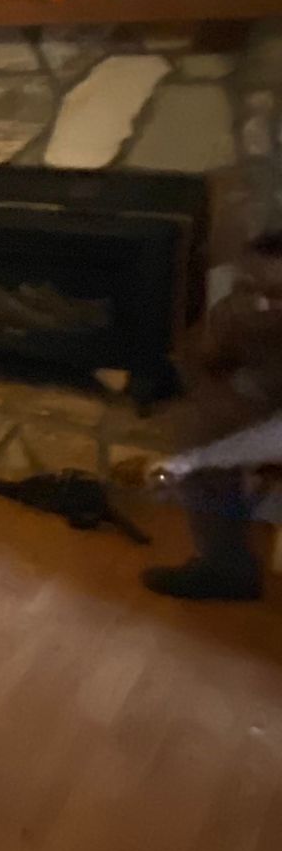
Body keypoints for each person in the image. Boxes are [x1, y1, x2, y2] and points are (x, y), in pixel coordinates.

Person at [144, 229, 282, 601]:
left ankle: (225, 569)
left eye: (275, 293)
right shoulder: (247, 311)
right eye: (252, 284)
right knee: (200, 419)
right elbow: (206, 352)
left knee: (201, 437)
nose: (263, 301)